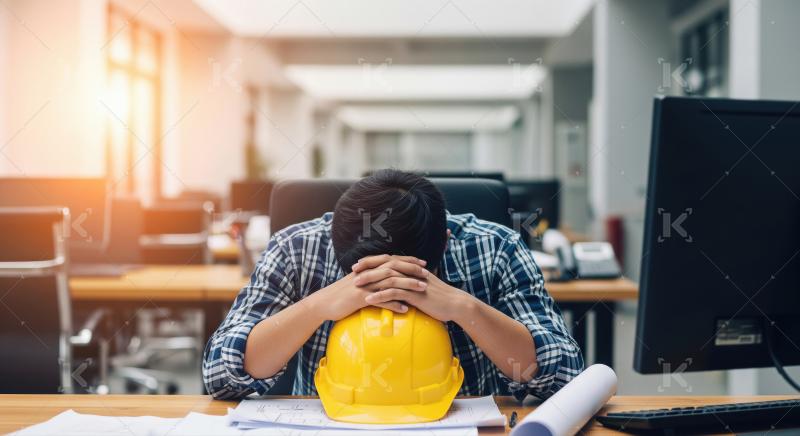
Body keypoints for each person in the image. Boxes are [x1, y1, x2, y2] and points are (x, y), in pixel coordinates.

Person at [203, 169, 583, 400]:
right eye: (369, 278)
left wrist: (464, 308)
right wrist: (317, 306)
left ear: (445, 242)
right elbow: (221, 375)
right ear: (333, 235)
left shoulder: (496, 247)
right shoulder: (297, 246)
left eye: (407, 279)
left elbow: (563, 374)